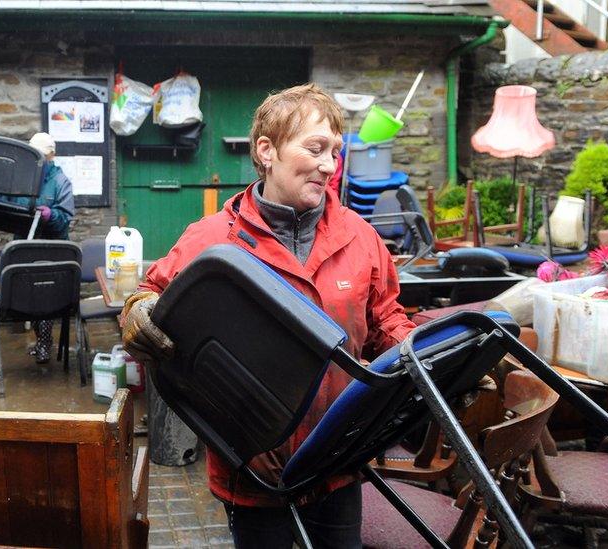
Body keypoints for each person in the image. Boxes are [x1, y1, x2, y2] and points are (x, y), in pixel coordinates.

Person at [121, 83, 416, 548]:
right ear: (266, 150)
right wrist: (137, 312)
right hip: (252, 471)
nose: (328, 165)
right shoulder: (212, 239)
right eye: (315, 148)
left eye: (335, 152)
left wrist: (430, 361)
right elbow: (150, 293)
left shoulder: (361, 238)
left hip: (337, 463)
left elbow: (386, 322)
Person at [22, 132, 76, 363]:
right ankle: (42, 341)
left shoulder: (61, 181)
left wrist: (50, 214)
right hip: (27, 246)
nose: (38, 159)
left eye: (42, 155)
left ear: (51, 155)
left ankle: (45, 344)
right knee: (30, 295)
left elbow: (65, 218)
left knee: (44, 295)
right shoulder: (23, 176)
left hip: (52, 248)